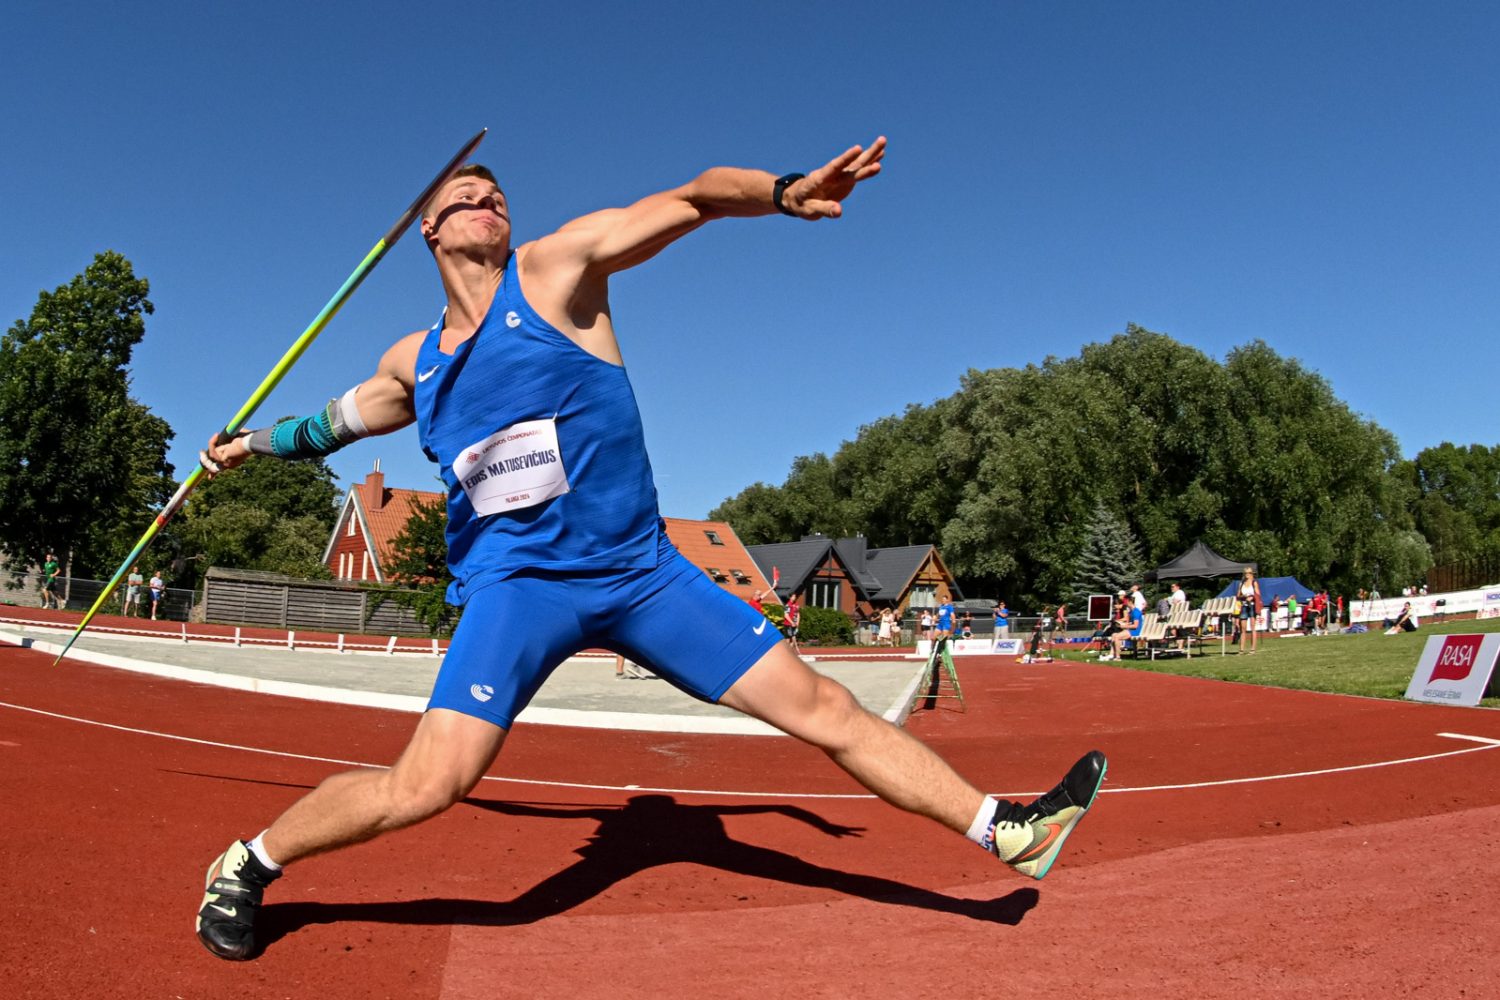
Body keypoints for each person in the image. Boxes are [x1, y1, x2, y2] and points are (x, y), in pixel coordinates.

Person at [192, 138, 1106, 962]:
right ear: (428, 230)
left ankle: (1005, 828)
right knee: (428, 785)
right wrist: (247, 446)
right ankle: (247, 862)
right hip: (520, 587)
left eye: (497, 194)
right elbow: (325, 426)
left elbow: (698, 197)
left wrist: (785, 191)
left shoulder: (554, 274)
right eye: (468, 195)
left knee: (821, 704)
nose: (491, 202)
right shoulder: (414, 362)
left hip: (639, 573)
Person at [1237, 568, 1261, 654]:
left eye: (1248, 573)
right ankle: (1241, 649)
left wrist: (1252, 597)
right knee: (1243, 628)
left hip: (1252, 606)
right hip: (1244, 606)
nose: (1247, 574)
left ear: (1252, 573)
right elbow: (1238, 596)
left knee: (1252, 627)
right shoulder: (1241, 583)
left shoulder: (1254, 582)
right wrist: (1243, 597)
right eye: (1245, 573)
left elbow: (1258, 595)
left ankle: (1253, 649)